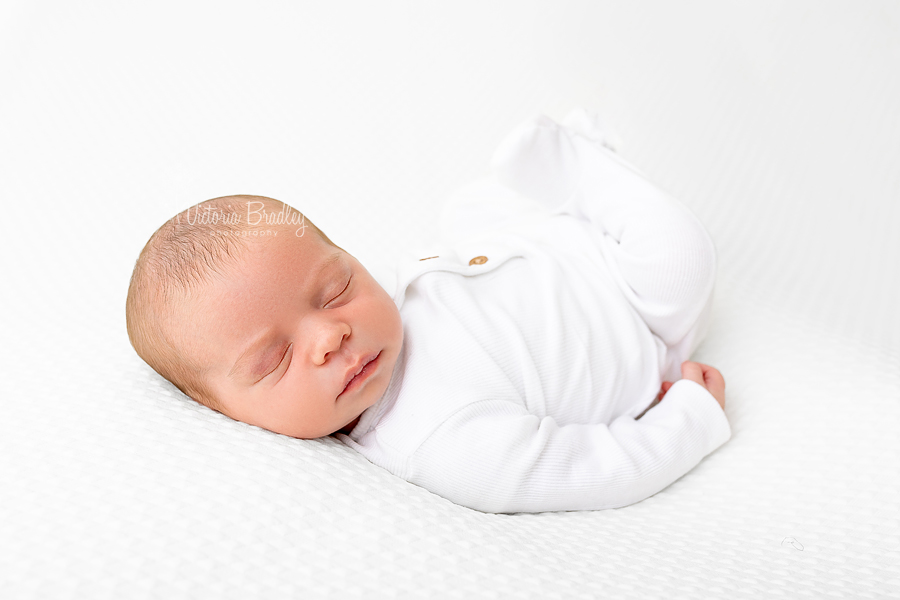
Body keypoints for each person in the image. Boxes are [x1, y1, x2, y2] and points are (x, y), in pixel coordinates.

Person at [125, 109, 731, 514]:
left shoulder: (379, 306)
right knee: (684, 260)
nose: (331, 336)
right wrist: (687, 423)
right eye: (276, 359)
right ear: (228, 415)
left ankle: (549, 196)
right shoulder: (444, 441)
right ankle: (584, 172)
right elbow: (587, 471)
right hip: (639, 315)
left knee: (464, 211)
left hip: (534, 251)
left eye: (335, 288)